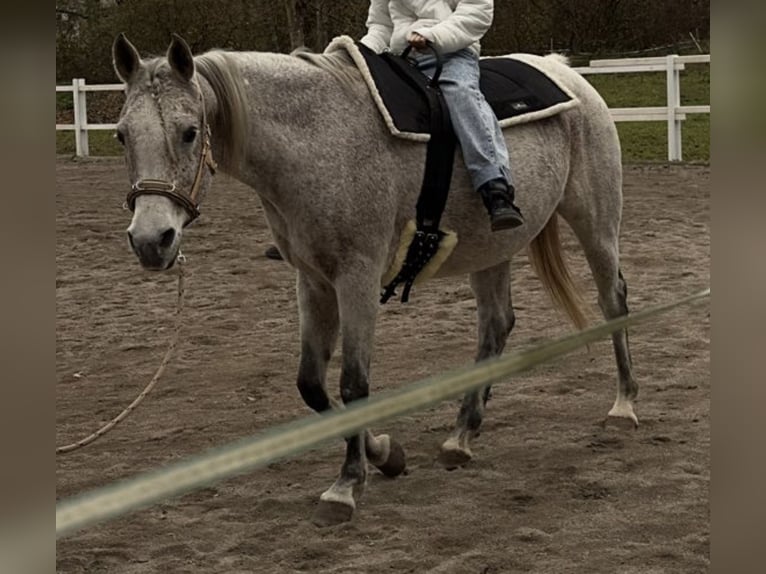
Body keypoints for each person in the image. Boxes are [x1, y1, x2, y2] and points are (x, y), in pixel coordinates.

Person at [361, 0, 524, 231]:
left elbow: (476, 13)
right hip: (399, 58)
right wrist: (360, 51)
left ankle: (495, 186)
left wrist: (432, 35)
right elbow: (380, 25)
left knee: (462, 95)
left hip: (451, 54)